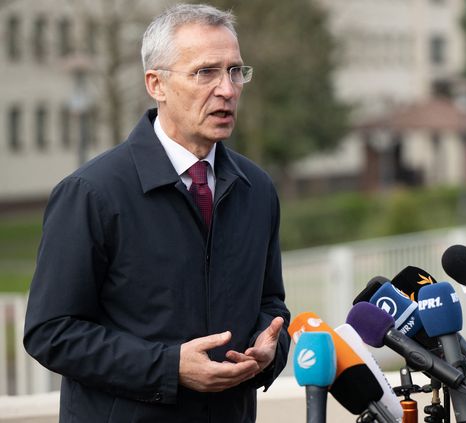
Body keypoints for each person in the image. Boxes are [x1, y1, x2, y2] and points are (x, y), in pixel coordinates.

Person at [23, 4, 290, 422]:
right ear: (156, 84)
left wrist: (270, 347)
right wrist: (169, 367)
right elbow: (50, 332)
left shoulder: (257, 190)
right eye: (206, 72)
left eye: (235, 71)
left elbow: (270, 302)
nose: (227, 89)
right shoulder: (92, 193)